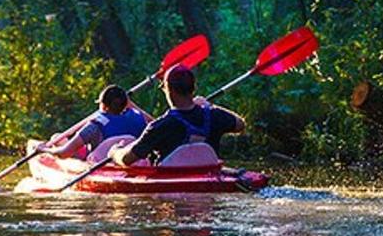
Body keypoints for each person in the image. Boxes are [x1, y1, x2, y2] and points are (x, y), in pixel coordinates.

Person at [109, 64, 246, 166]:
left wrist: (115, 152)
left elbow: (127, 159)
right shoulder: (214, 115)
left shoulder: (160, 126)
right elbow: (240, 124)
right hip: (207, 178)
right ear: (193, 88)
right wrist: (209, 106)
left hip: (172, 193)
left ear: (169, 90)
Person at [42, 84, 150, 159]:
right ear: (126, 104)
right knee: (58, 138)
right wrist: (132, 105)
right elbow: (158, 124)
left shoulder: (94, 126)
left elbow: (64, 153)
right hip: (131, 163)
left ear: (103, 106)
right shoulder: (140, 117)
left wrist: (44, 150)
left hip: (99, 164)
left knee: (56, 138)